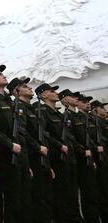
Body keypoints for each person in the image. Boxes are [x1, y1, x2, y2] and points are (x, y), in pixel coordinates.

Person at [0, 65, 29, 223]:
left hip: (16, 155)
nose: (3, 76)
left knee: (17, 200)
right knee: (3, 200)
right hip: (2, 156)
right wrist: (9, 144)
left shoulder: (10, 101)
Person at [8, 77, 51, 223]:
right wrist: (37, 147)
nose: (30, 88)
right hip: (32, 156)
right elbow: (23, 133)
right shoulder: (18, 107)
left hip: (40, 156)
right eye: (25, 86)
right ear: (16, 91)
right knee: (35, 198)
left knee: (44, 196)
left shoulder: (31, 108)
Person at [42, 86, 81, 223]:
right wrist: (59, 146)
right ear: (44, 95)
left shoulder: (60, 115)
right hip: (56, 158)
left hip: (68, 157)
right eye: (52, 91)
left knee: (70, 192)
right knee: (60, 193)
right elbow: (45, 135)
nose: (56, 93)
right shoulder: (43, 112)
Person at [73, 94, 100, 223]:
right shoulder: (76, 118)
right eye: (84, 102)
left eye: (88, 102)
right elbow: (77, 138)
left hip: (95, 157)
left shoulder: (91, 118)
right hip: (83, 158)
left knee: (96, 191)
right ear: (78, 104)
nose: (87, 104)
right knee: (88, 192)